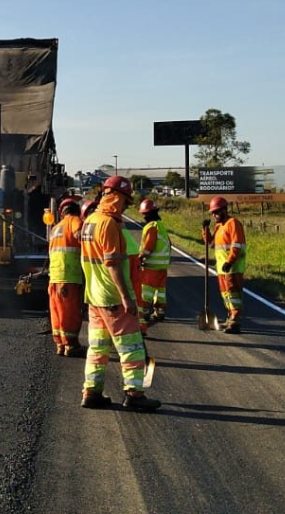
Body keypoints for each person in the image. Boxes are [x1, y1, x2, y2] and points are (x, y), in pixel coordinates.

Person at [79, 176, 161, 412]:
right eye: (125, 201)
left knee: (98, 348)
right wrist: (127, 298)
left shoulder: (91, 221)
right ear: (115, 197)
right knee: (132, 347)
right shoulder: (108, 224)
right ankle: (134, 394)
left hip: (94, 297)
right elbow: (113, 264)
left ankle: (91, 392)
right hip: (113, 298)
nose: (126, 206)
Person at [202, 196, 247, 334]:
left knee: (233, 294)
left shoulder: (233, 223)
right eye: (212, 213)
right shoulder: (218, 226)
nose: (214, 215)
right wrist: (205, 230)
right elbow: (210, 244)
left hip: (232, 267)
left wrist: (230, 261)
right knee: (226, 294)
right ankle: (230, 317)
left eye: (216, 212)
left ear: (224, 210)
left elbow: (237, 245)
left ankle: (235, 321)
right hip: (222, 268)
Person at [47, 198, 84, 357]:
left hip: (54, 278)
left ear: (61, 212)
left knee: (57, 312)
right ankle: (71, 345)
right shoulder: (74, 221)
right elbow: (80, 235)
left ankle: (60, 345)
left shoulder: (55, 228)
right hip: (69, 275)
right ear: (77, 211)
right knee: (70, 312)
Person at [138, 199, 172, 324]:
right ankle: (160, 312)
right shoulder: (161, 226)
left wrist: (141, 258)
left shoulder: (151, 227)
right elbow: (169, 243)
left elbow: (149, 247)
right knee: (160, 290)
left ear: (150, 214)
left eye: (145, 214)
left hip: (151, 265)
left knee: (147, 290)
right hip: (162, 266)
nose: (144, 217)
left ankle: (145, 312)